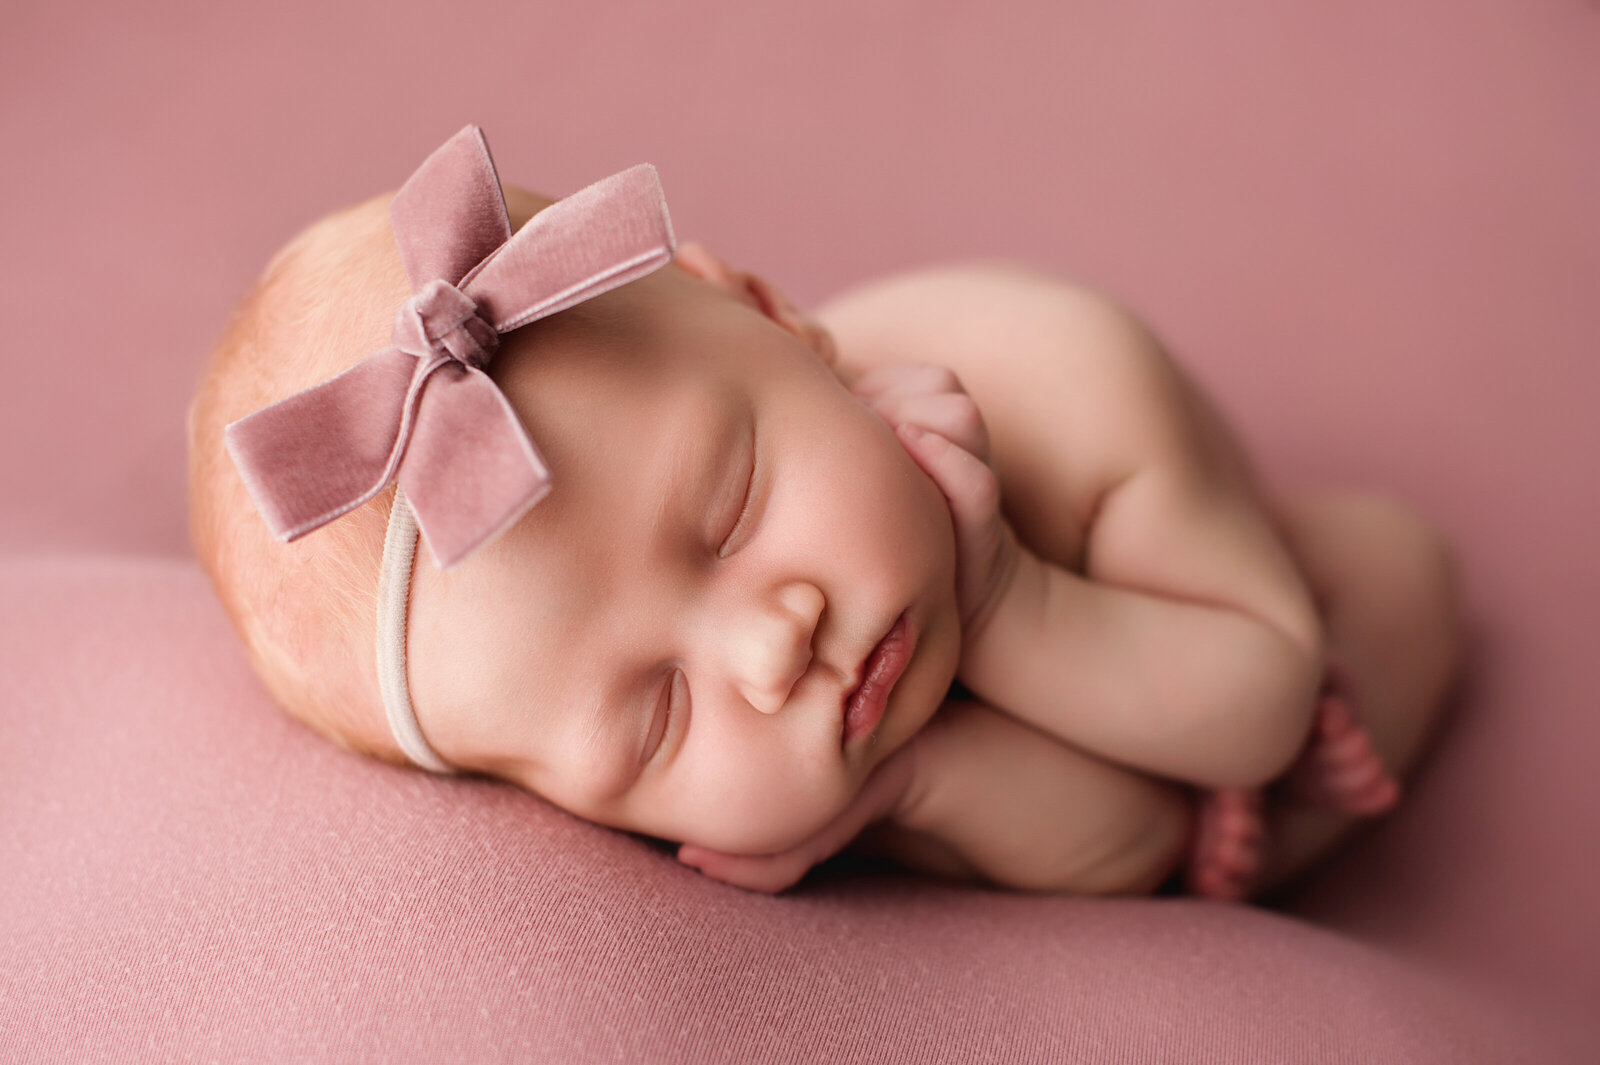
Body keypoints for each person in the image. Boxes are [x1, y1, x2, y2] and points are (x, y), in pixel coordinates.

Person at [188, 127, 1465, 902]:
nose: (768, 651)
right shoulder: (814, 769)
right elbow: (1126, 850)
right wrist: (914, 784)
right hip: (1102, 754)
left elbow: (1259, 709)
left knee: (1403, 580)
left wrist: (1009, 597)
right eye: (655, 716)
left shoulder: (1065, 378)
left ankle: (1276, 824)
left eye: (733, 511)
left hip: (1217, 583)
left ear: (765, 312)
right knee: (1169, 843)